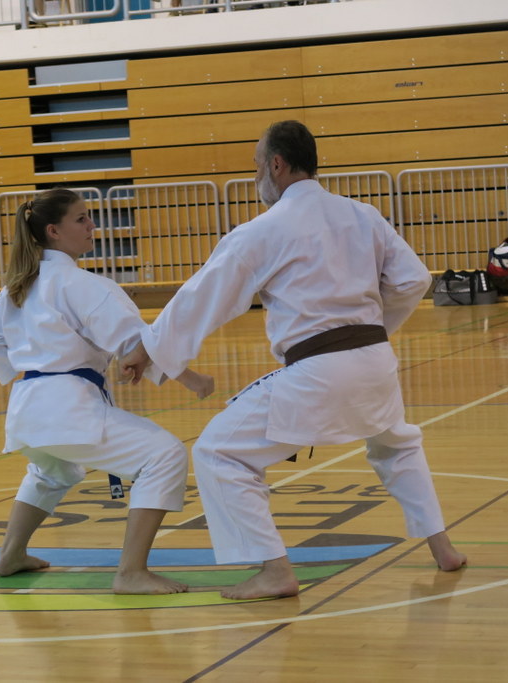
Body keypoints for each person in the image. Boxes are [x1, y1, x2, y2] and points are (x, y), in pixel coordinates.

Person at [122, 121, 467, 601]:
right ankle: (443, 548)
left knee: (219, 452)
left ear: (277, 165)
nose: (256, 177)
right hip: (375, 359)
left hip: (318, 369)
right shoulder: (363, 215)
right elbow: (414, 280)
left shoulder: (264, 229)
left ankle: (274, 570)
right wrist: (373, 328)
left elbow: (201, 297)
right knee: (396, 445)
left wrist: (147, 348)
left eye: (257, 167)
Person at [0, 188, 214, 595]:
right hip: (68, 406)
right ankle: (131, 572)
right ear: (54, 231)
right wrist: (191, 378)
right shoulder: (81, 283)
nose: (92, 226)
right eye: (81, 219)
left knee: (51, 471)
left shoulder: (17, 286)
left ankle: (11, 554)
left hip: (28, 405)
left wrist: (34, 362)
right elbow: (135, 340)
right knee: (164, 455)